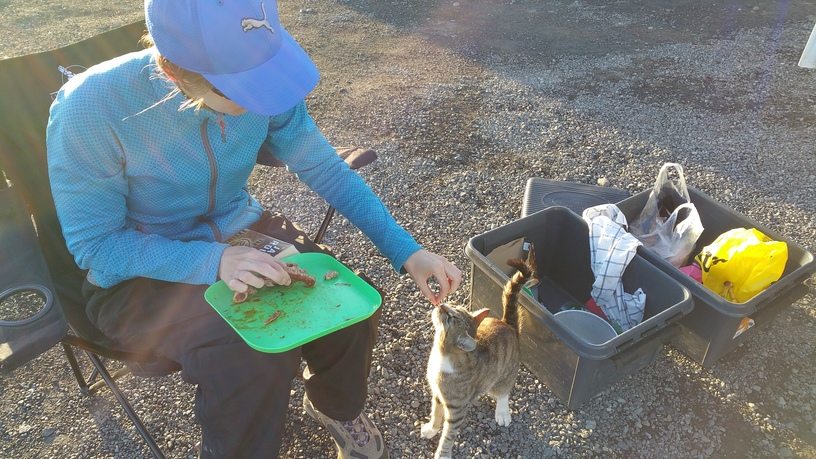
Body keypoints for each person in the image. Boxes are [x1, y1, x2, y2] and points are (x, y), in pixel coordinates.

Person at [45, 1, 461, 457]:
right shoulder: (91, 107)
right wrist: (213, 260)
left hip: (238, 225)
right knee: (253, 357)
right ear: (173, 71)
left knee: (347, 303)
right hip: (140, 270)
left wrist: (406, 250)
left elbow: (323, 165)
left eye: (267, 76)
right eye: (245, 89)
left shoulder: (267, 82)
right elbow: (97, 247)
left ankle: (336, 407)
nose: (266, 98)